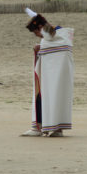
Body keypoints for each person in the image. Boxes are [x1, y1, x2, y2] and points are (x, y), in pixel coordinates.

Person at [21, 8, 74, 137]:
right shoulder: (48, 39)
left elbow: (61, 54)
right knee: (42, 97)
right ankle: (39, 126)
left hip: (57, 77)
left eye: (36, 33)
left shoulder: (61, 36)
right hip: (47, 75)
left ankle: (57, 128)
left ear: (40, 27)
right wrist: (40, 49)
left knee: (56, 97)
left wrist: (40, 48)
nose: (37, 36)